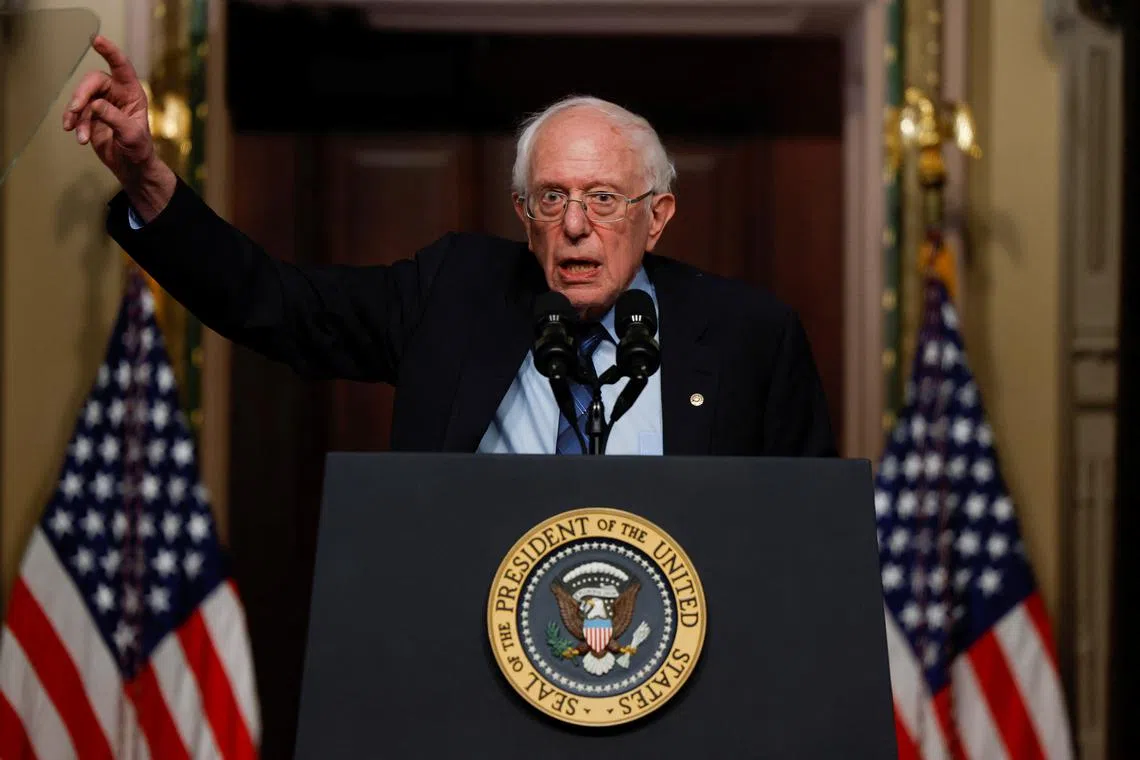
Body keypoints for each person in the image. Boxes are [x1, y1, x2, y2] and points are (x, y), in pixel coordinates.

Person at [63, 35, 836, 458]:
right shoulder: (454, 292)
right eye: (551, 198)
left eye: (603, 200)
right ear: (522, 212)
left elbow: (801, 544)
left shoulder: (748, 337)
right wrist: (149, 183)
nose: (574, 225)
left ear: (656, 217)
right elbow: (275, 303)